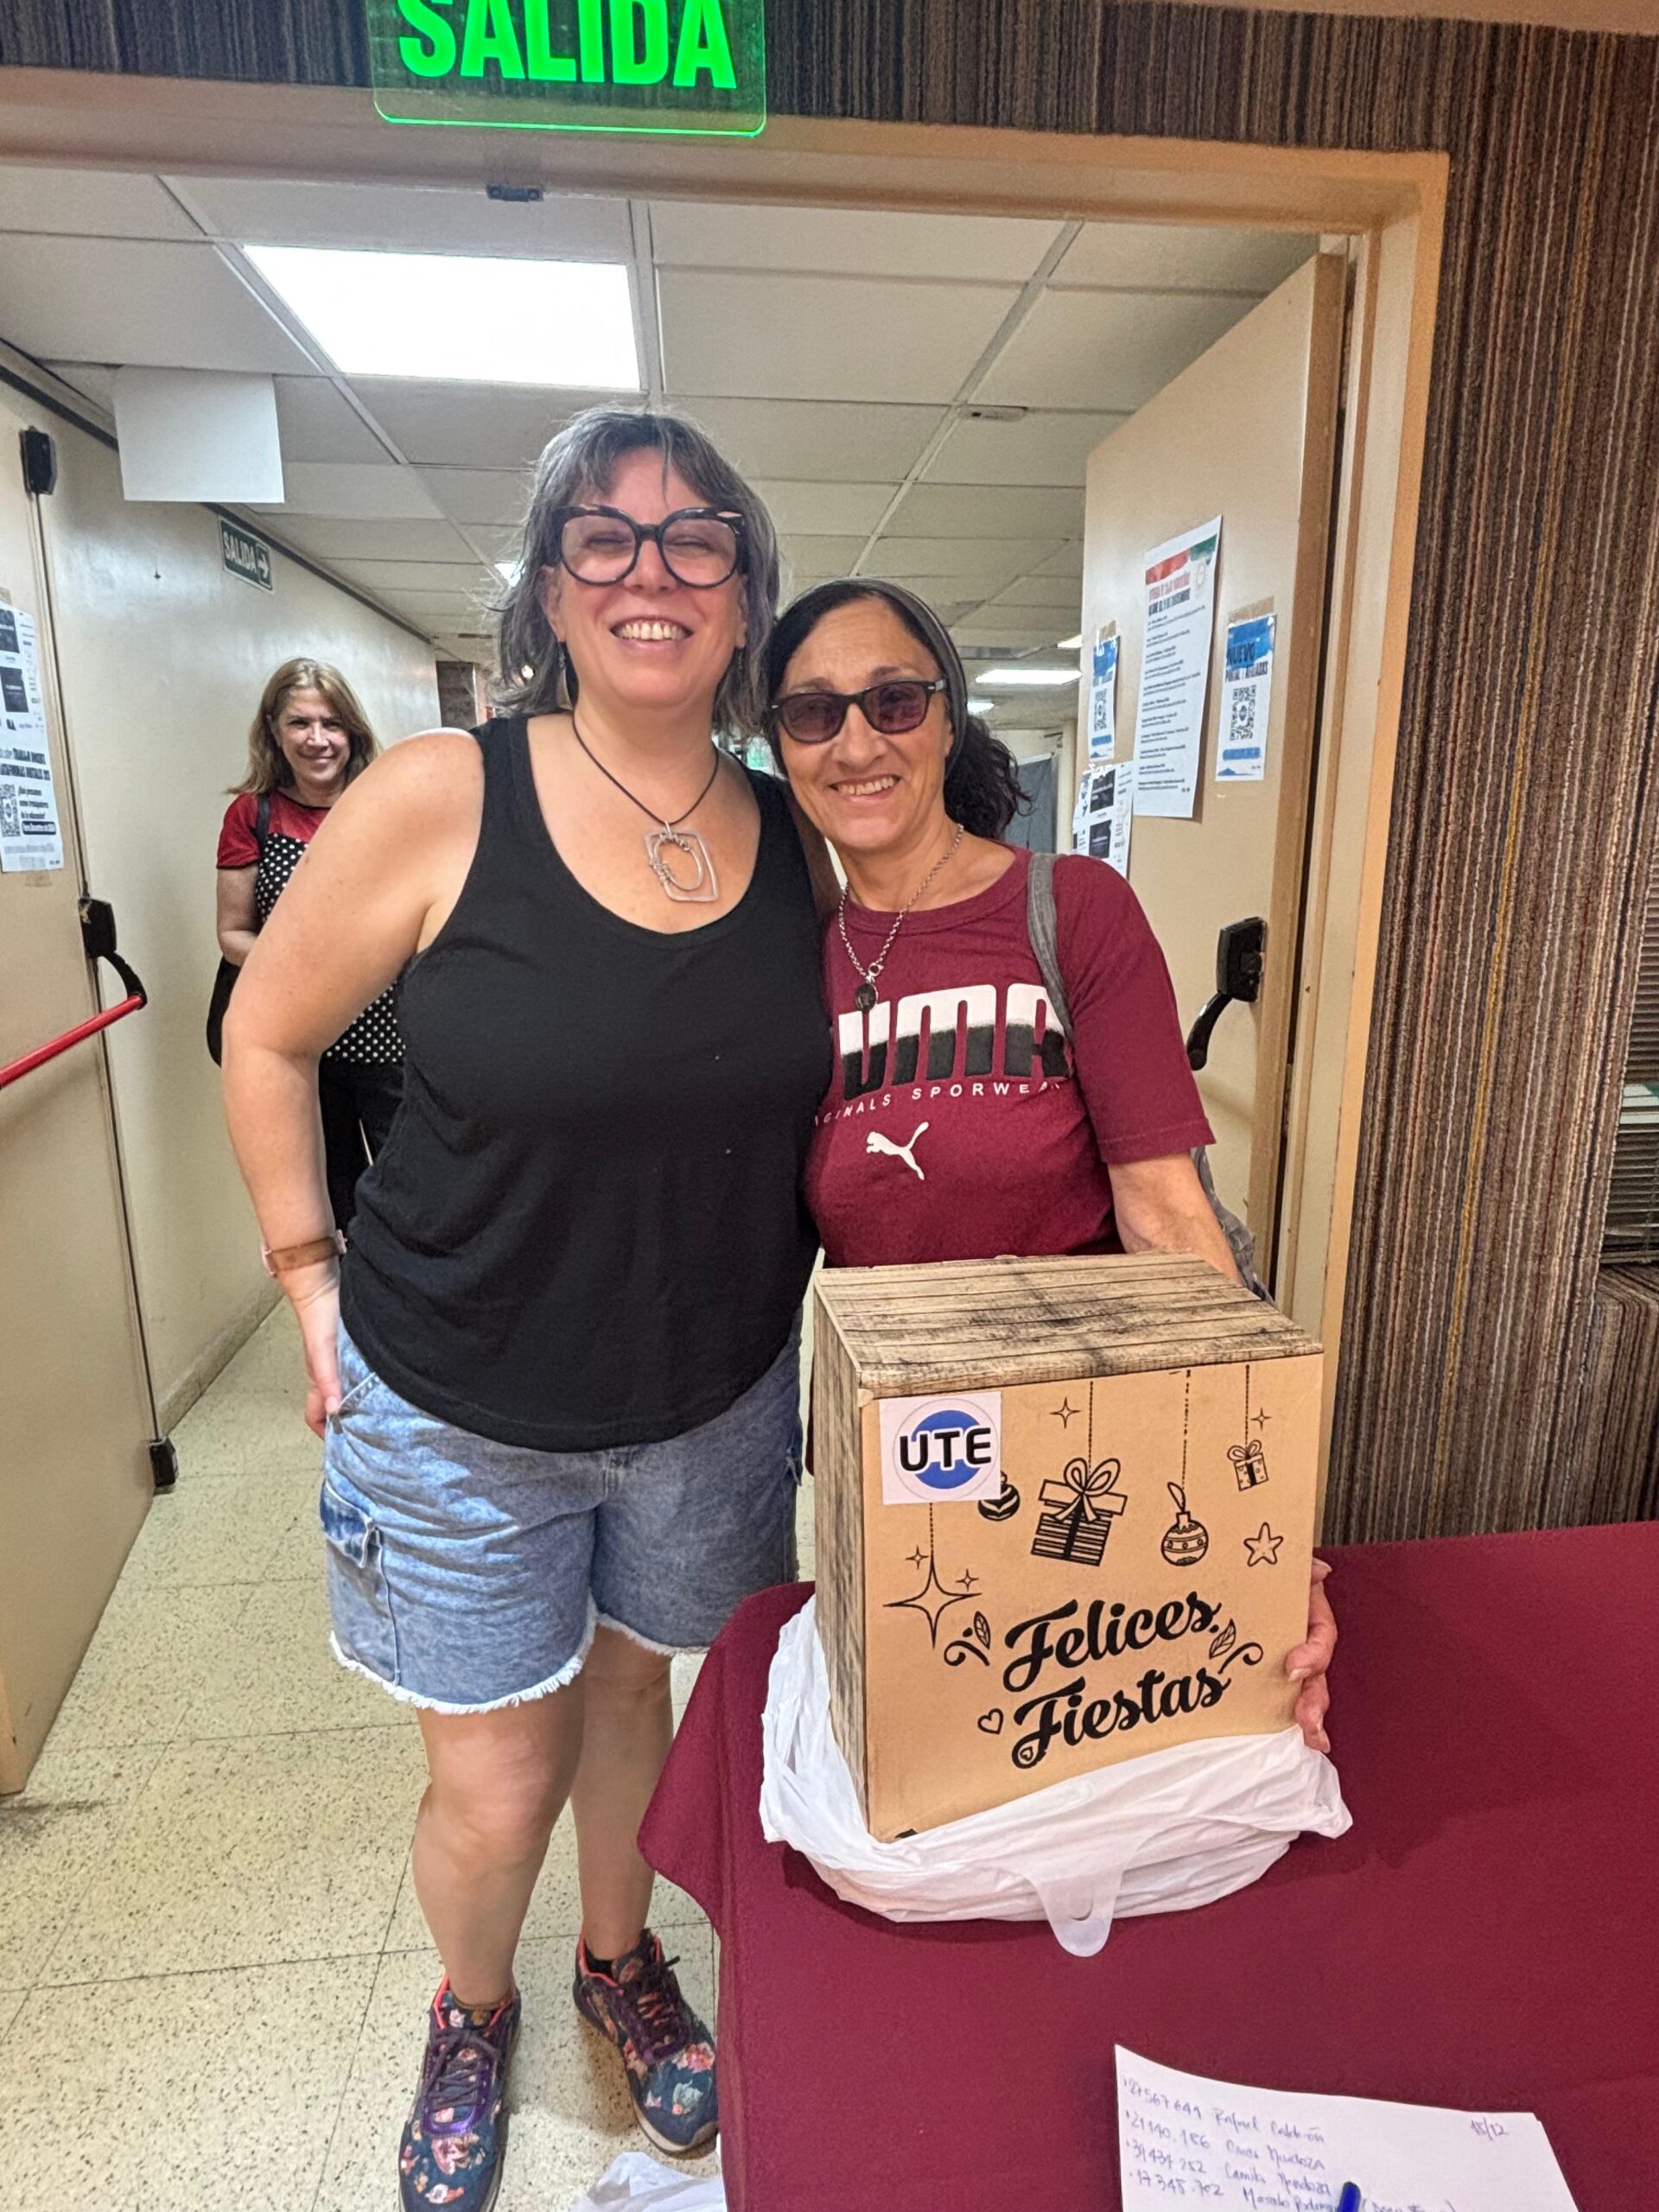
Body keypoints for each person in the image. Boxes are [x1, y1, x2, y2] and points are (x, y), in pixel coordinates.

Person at [221, 409, 835, 2211]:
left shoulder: (795, 837)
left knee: (635, 1704)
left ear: (744, 595)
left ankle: (615, 1958)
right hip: (457, 1398)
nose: (652, 571)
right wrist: (306, 1277)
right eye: (605, 537)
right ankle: (472, 2005)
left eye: (696, 538)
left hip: (709, 1397)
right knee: (496, 1787)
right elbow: (266, 1034)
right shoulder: (441, 793)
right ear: (552, 590)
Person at [766, 578, 1337, 1749]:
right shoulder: (787, 960)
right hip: (907, 1450)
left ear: (947, 717)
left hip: (1093, 1432)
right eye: (815, 712)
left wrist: (1262, 1523)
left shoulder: (1069, 908)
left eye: (894, 700)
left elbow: (1167, 1213)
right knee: (937, 1764)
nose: (858, 743)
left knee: (1118, 1745)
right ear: (779, 745)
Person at [216, 659, 403, 1235]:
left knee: (413, 1191)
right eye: (300, 723)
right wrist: (307, 968)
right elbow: (232, 933)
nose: (317, 739)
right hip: (303, 1044)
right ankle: (347, 1293)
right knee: (331, 1199)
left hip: (392, 1038)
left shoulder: (390, 804)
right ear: (274, 730)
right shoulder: (252, 814)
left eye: (332, 723)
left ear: (353, 732)